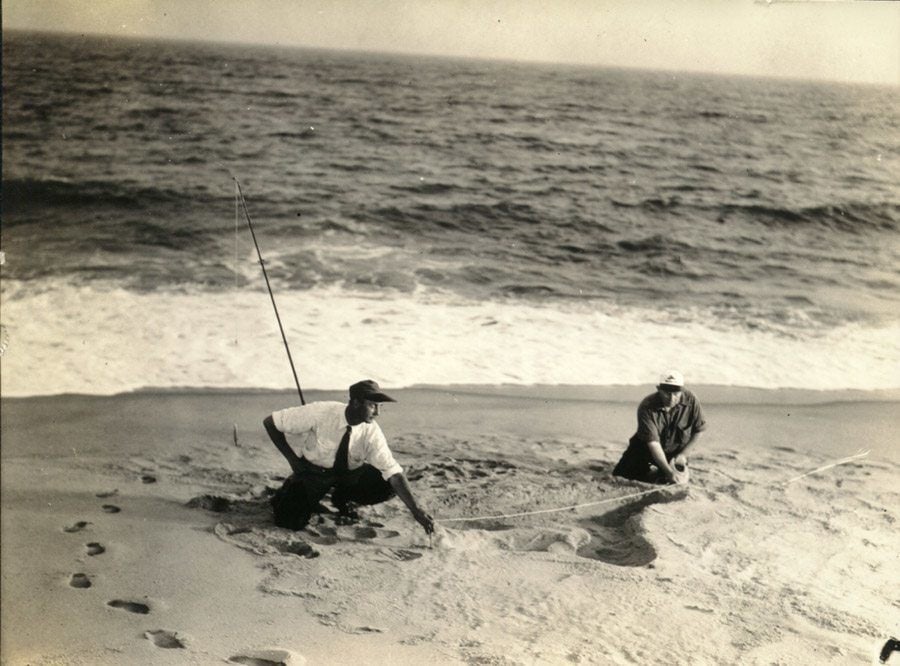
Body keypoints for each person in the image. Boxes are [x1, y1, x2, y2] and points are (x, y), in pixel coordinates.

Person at [263, 379, 434, 535]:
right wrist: (293, 460)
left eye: (380, 406)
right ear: (356, 402)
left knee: (388, 484)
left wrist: (416, 510)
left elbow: (394, 473)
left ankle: (341, 498)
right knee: (289, 522)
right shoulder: (320, 412)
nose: (378, 413)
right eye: (373, 406)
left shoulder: (371, 431)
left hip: (348, 477)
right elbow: (271, 422)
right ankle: (289, 490)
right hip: (313, 474)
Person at [612, 370, 707, 484]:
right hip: (646, 448)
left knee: (668, 481)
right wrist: (669, 472)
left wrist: (683, 455)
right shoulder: (646, 406)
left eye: (676, 394)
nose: (671, 398)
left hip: (675, 453)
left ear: (682, 390)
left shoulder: (691, 400)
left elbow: (698, 430)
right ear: (658, 389)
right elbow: (653, 444)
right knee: (620, 476)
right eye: (667, 393)